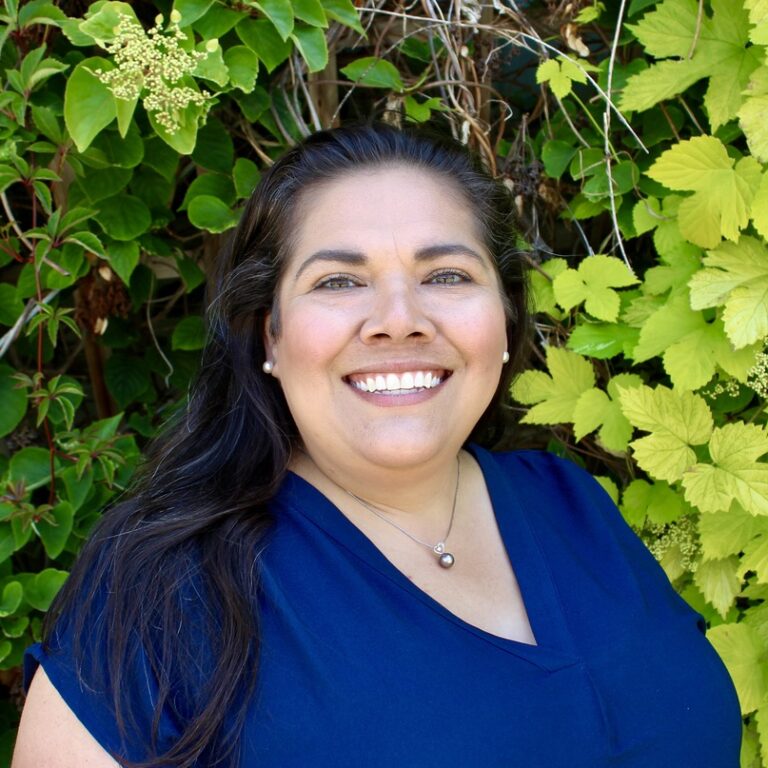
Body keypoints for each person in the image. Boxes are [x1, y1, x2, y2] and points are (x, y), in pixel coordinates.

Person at [13, 123, 741, 767]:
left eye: (446, 275)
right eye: (339, 280)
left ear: (506, 317)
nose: (399, 319)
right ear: (270, 333)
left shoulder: (569, 502)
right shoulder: (172, 585)